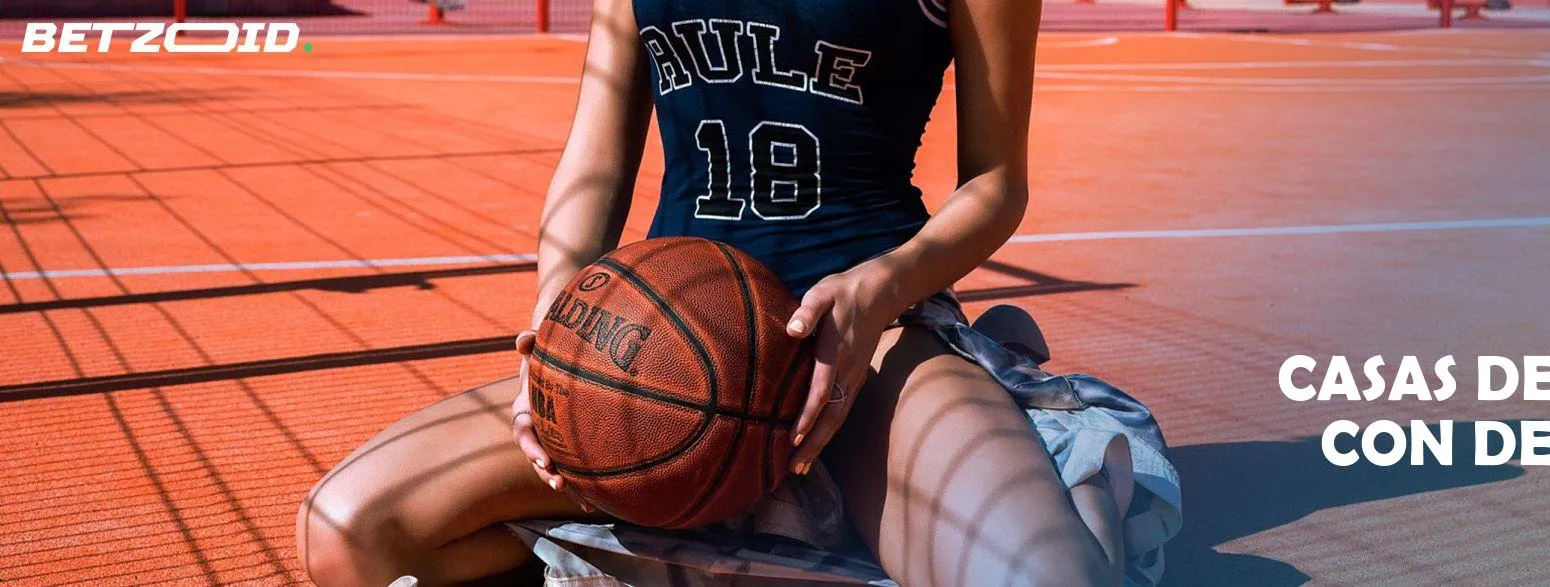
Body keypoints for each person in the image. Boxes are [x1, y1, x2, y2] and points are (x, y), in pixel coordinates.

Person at [296, 0, 1180, 584]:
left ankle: (1047, 456)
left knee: (1049, 577)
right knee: (344, 531)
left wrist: (881, 287)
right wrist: (561, 329)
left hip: (868, 330)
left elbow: (995, 182)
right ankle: (794, 528)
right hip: (659, 350)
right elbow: (597, 165)